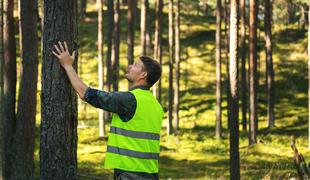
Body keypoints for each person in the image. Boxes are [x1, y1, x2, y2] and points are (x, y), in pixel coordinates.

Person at [52, 41, 164, 180]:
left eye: (135, 65)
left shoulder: (129, 100)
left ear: (143, 75)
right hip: (150, 173)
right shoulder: (156, 106)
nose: (130, 66)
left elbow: (86, 93)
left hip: (130, 174)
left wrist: (68, 66)